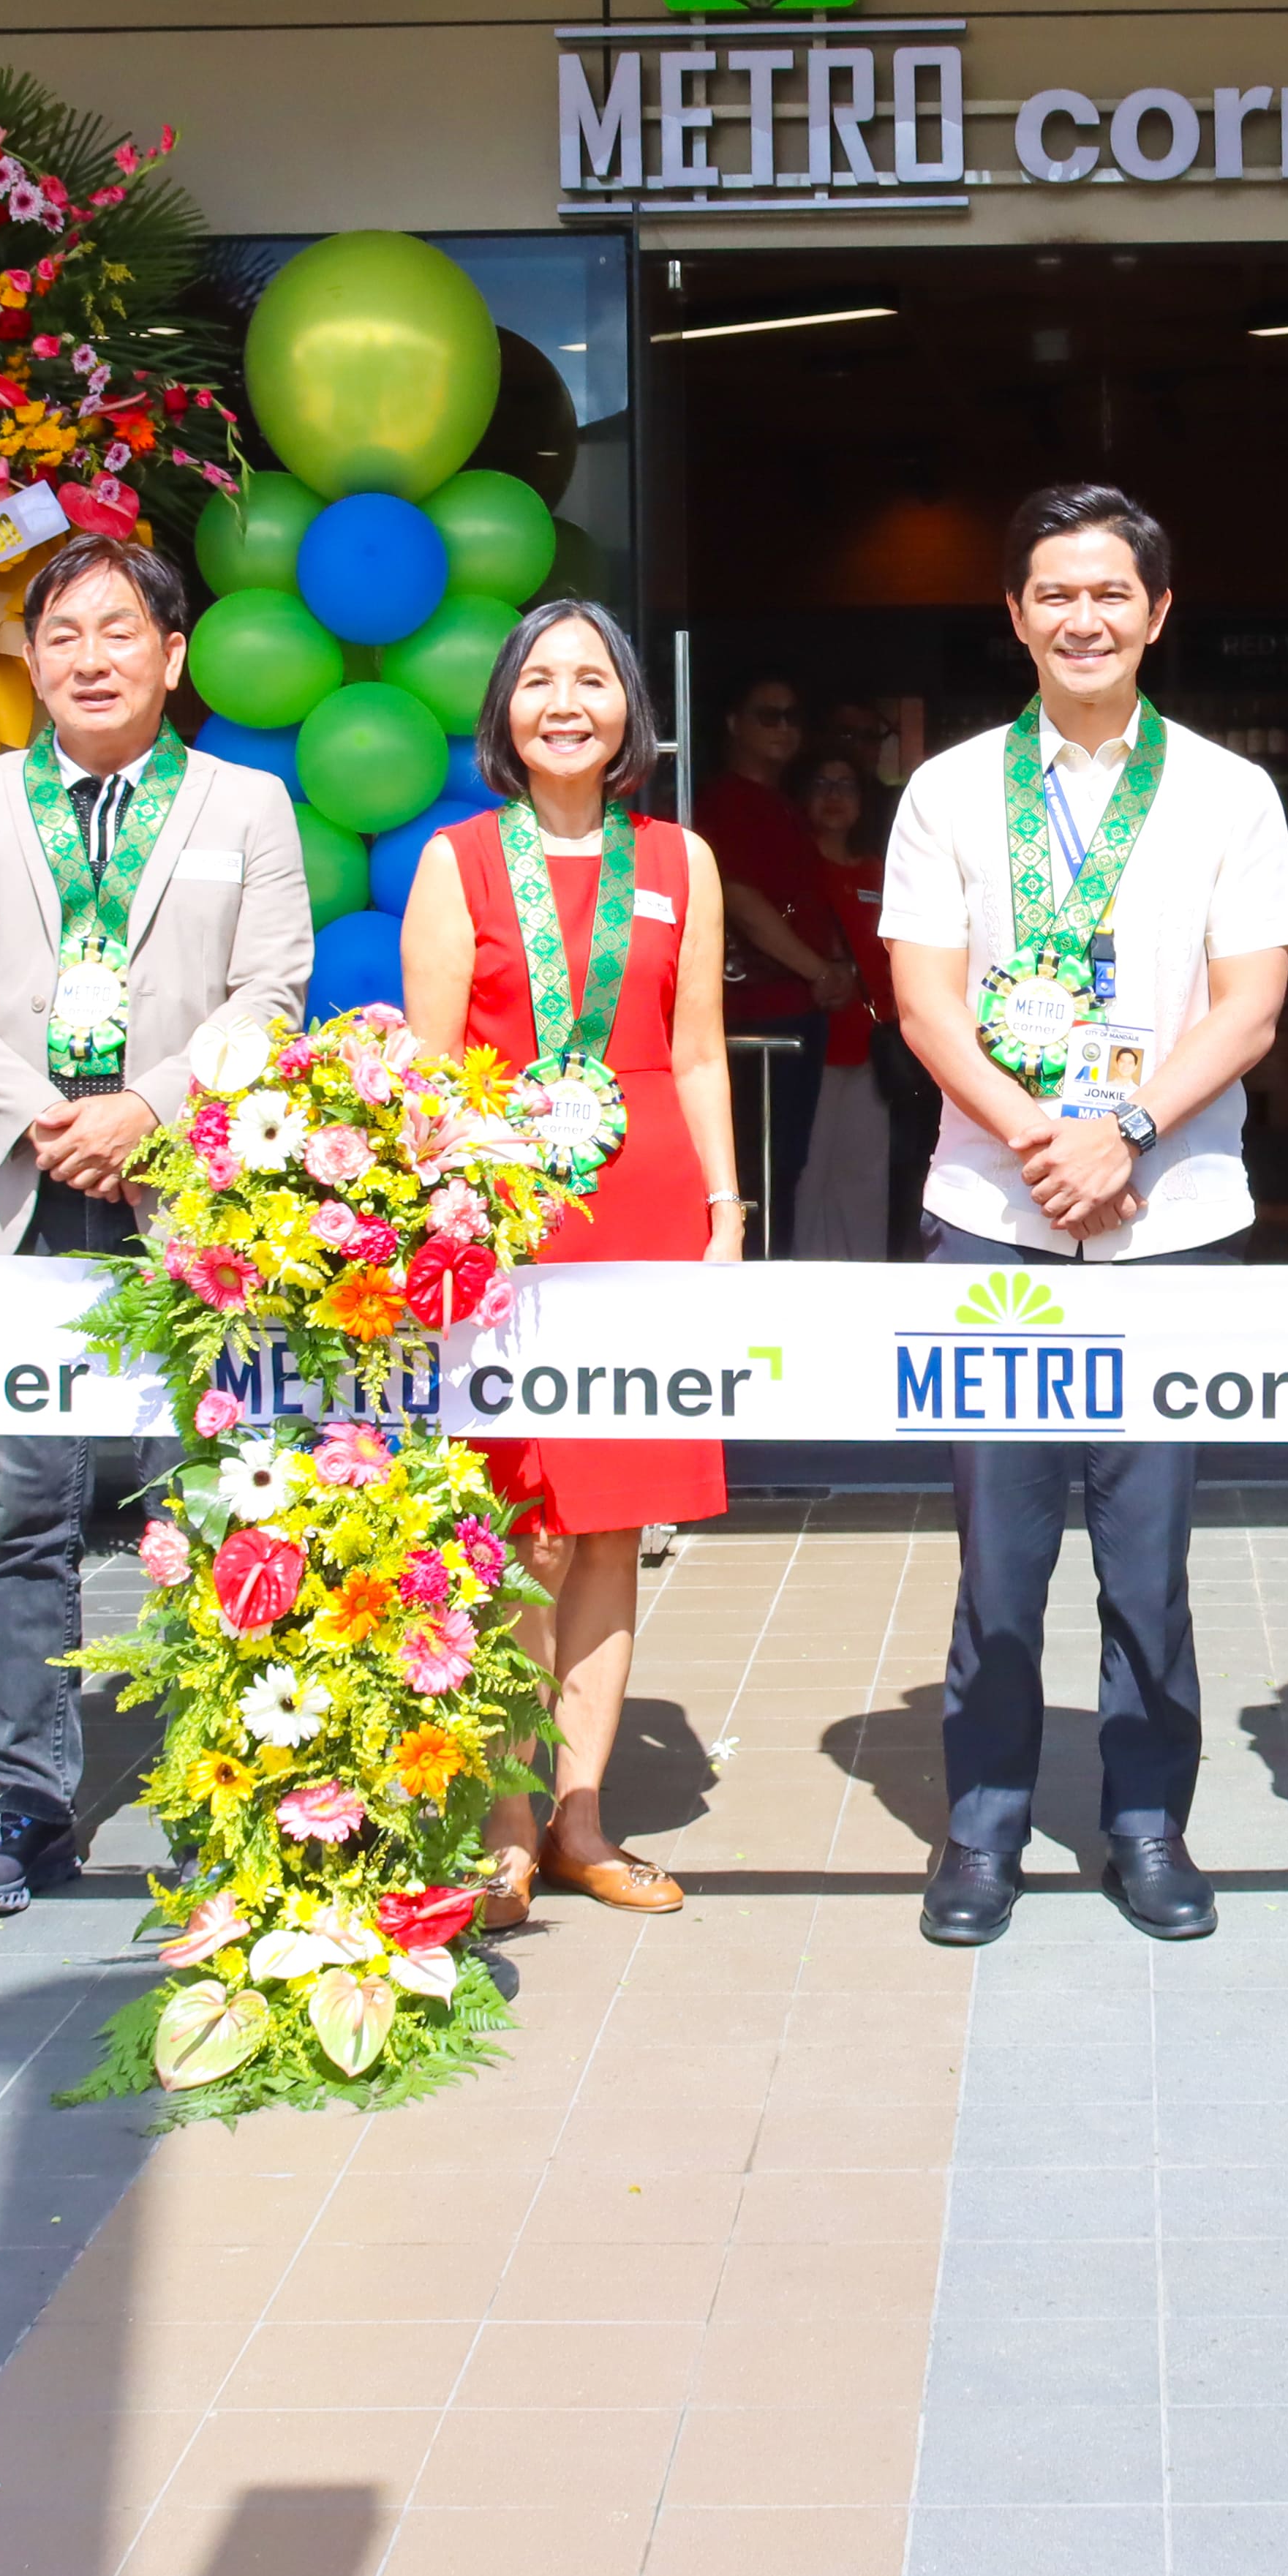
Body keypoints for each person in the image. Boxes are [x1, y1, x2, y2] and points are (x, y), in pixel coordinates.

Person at [882, 484, 1288, 1947]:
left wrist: (1122, 1129)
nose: (1084, 616)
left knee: (1151, 1546)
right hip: (994, 1217)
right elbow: (926, 1001)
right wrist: (1036, 1140)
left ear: (1159, 611)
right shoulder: (945, 790)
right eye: (1055, 591)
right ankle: (982, 1825)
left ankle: (1144, 1821)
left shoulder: (1230, 791)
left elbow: (1250, 1005)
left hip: (1171, 1214)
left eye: (1111, 591)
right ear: (1016, 613)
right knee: (996, 1553)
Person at [0, 533, 312, 1922]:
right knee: (23, 1513)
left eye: (118, 631)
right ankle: (28, 1803)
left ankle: (210, 1789)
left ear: (171, 654)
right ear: (31, 654)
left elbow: (271, 995)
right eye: (62, 632)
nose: (89, 657)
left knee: (201, 1498)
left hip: (181, 1200)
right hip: (14, 1197)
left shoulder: (245, 804)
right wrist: (43, 1118)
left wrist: (147, 1107)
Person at [407, 596, 742, 1923]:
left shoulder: (681, 859)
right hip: (504, 1224)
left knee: (613, 1523)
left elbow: (703, 1048)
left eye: (591, 679)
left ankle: (586, 1819)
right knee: (515, 1529)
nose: (564, 700)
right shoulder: (458, 861)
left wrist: (727, 1211)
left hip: (648, 1213)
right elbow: (432, 1075)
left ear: (627, 711)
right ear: (503, 708)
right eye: (537, 678)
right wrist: (443, 1223)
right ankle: (503, 1809)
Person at [690, 669, 859, 1253]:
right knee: (757, 1173)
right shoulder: (727, 800)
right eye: (769, 715)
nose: (785, 728)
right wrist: (820, 970)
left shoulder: (778, 803)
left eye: (793, 716)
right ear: (733, 723)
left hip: (796, 1012)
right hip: (758, 1020)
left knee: (783, 1170)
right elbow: (740, 898)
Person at [791, 746, 898, 1258]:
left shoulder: (883, 869)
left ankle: (866, 1281)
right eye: (822, 785)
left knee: (866, 1173)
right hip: (813, 1041)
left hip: (874, 1046)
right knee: (810, 1172)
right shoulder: (793, 866)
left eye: (846, 786)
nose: (834, 798)